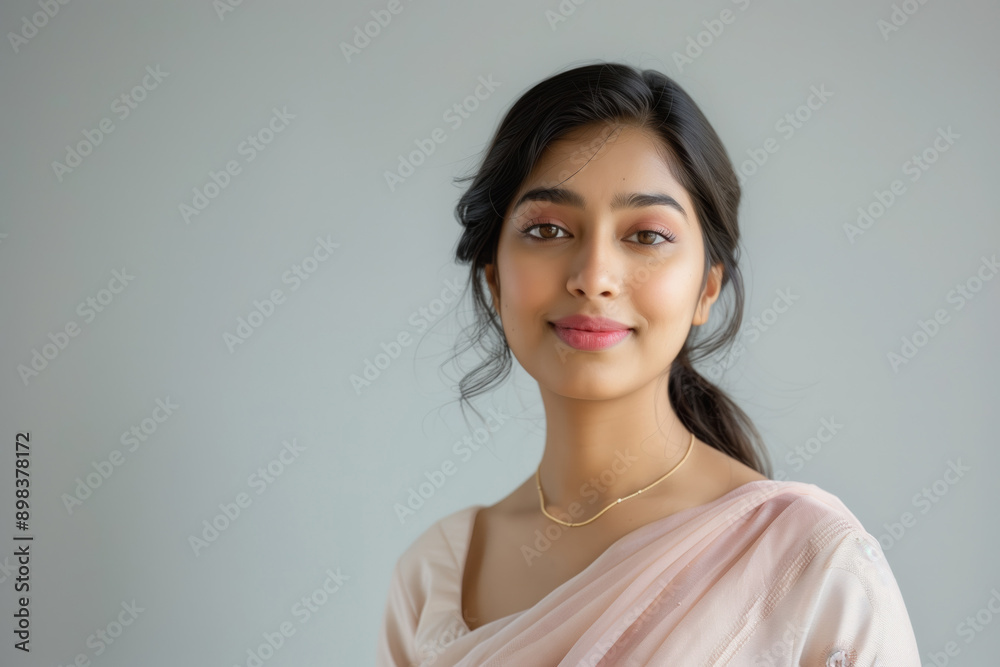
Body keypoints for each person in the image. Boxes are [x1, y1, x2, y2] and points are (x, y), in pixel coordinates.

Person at [376, 61, 921, 666]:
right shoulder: (434, 578)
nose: (593, 278)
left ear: (707, 288)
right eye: (550, 228)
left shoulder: (811, 563)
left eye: (647, 235)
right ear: (494, 277)